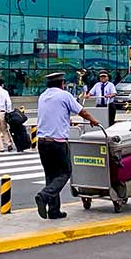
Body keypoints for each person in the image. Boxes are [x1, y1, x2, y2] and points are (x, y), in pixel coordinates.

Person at [34, 72, 100, 220]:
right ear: (62, 84)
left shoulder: (43, 96)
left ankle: (54, 211)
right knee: (65, 172)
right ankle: (44, 196)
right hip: (57, 143)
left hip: (42, 142)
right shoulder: (64, 96)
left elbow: (52, 114)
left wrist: (65, 119)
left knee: (51, 176)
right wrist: (93, 120)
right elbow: (81, 111)